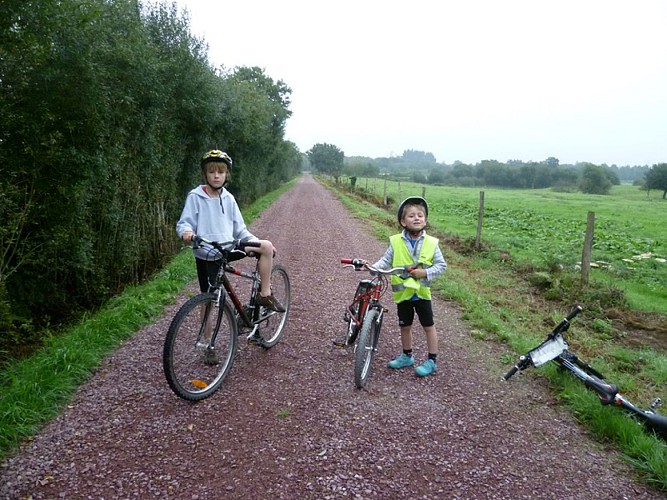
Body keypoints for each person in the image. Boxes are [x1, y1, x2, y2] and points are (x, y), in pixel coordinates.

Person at [176, 149, 285, 313]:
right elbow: (184, 223)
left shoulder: (229, 198)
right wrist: (187, 233)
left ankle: (264, 293)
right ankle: (205, 338)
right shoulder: (195, 197)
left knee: (267, 246)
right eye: (211, 171)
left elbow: (240, 230)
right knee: (207, 300)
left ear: (227, 175)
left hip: (229, 248)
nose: (216, 176)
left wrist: (257, 243)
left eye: (221, 171)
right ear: (205, 174)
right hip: (208, 252)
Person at [370, 196, 447, 377]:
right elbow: (385, 260)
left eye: (420, 215)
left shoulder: (431, 243)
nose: (417, 218)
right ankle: (407, 356)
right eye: (411, 216)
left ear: (425, 220)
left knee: (428, 326)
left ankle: (432, 360)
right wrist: (373, 268)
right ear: (403, 221)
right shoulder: (396, 242)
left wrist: (426, 273)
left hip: (421, 294)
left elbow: (441, 265)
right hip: (404, 294)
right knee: (405, 326)